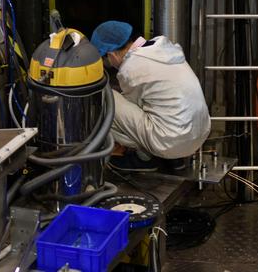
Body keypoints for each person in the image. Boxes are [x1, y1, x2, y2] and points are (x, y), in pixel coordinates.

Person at [90, 20, 211, 172]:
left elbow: (132, 110)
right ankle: (174, 160)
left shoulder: (131, 68)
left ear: (112, 54)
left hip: (171, 142)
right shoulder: (163, 48)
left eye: (105, 59)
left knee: (105, 97)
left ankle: (144, 159)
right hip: (198, 135)